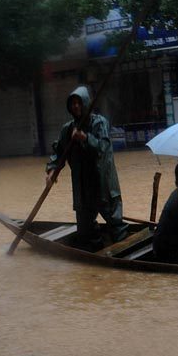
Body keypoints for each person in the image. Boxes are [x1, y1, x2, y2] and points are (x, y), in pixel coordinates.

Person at [46, 86, 128, 251]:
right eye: (72, 104)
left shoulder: (99, 123)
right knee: (85, 231)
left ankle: (125, 250)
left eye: (79, 103)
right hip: (82, 188)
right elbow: (59, 152)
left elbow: (103, 149)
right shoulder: (67, 129)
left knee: (116, 224)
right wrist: (52, 170)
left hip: (103, 185)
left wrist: (85, 138)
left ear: (85, 103)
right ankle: (96, 252)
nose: (75, 106)